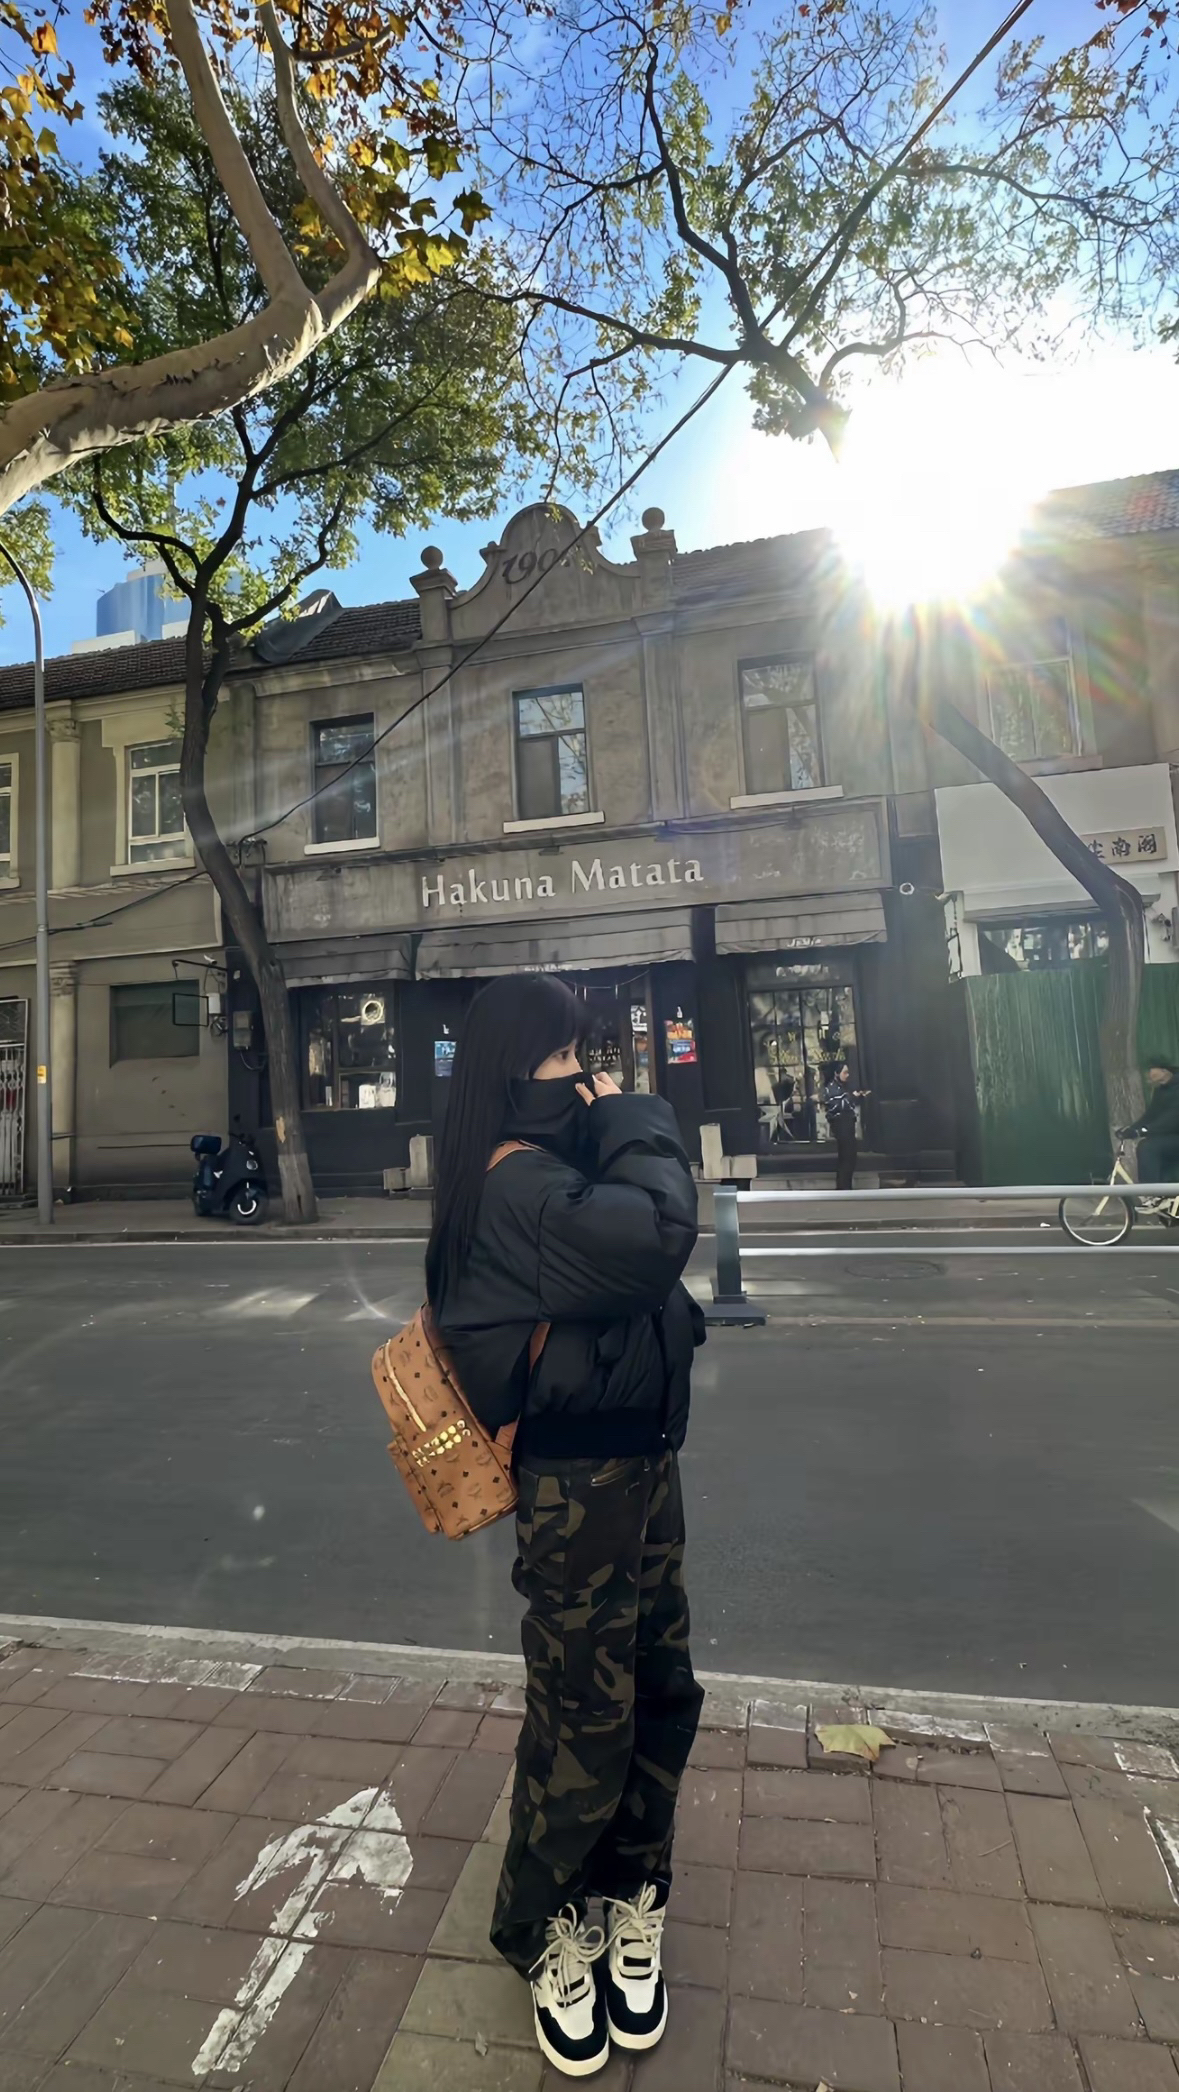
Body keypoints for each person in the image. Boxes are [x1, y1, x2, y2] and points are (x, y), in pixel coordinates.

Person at [427, 974, 706, 2079]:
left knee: (660, 1684)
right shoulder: (518, 1185)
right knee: (585, 1710)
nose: (584, 1076)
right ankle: (545, 1923)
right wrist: (634, 1115)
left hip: (642, 1459)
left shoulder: (554, 1167)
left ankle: (633, 1893)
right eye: (563, 1058)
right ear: (514, 1072)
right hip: (577, 1481)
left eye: (589, 1055)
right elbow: (656, 1234)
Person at [1127, 1062, 1179, 1193]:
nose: (1148, 1074)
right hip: (1169, 1138)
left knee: (1148, 1148)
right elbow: (1150, 1115)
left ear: (1164, 1071)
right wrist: (1131, 1129)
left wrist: (1144, 1130)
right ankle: (1164, 1194)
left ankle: (1151, 1193)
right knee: (1150, 1146)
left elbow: (1172, 1119)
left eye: (1151, 1070)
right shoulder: (1161, 1090)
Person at [822, 1062, 870, 1190]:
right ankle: (843, 1188)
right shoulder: (831, 1088)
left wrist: (858, 1096)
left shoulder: (842, 1087)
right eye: (845, 1072)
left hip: (848, 1123)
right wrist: (852, 1097)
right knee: (846, 1157)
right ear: (836, 1073)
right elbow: (837, 1106)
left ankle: (846, 1186)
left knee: (850, 1157)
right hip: (841, 1124)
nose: (847, 1075)